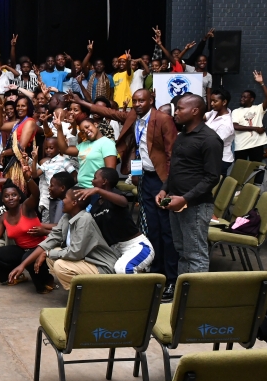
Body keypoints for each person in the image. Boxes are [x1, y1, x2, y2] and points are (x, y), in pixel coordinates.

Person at [71, 88, 177, 290]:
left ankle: (171, 278)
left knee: (166, 230)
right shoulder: (134, 117)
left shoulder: (162, 119)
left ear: (151, 100)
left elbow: (172, 154)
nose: (137, 104)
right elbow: (110, 114)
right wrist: (82, 103)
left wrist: (167, 185)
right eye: (135, 101)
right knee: (151, 227)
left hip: (162, 180)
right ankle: (155, 273)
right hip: (145, 177)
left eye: (141, 101)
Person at [156, 93, 223, 290]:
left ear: (195, 111)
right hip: (175, 202)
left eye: (180, 109)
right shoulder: (182, 136)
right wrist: (164, 189)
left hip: (195, 205)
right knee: (182, 250)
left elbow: (212, 178)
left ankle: (196, 298)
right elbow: (176, 169)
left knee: (196, 254)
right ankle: (183, 291)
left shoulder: (210, 139)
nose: (176, 112)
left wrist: (184, 199)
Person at [29, 187, 121, 289]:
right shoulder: (67, 217)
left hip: (101, 266)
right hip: (86, 260)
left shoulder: (84, 219)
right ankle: (81, 290)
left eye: (65, 198)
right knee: (53, 254)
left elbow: (75, 252)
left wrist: (47, 253)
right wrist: (40, 255)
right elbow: (53, 237)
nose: (62, 201)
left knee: (59, 264)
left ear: (74, 203)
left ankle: (83, 295)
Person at [82, 168, 155, 274]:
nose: (92, 181)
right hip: (116, 250)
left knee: (124, 269)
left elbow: (124, 202)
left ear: (104, 181)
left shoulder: (116, 196)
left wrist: (98, 190)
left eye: (95, 178)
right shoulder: (96, 205)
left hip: (137, 247)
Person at [53, 113, 117, 188]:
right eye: (83, 131)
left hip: (95, 189)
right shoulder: (84, 144)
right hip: (81, 187)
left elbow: (111, 173)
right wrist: (59, 129)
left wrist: (100, 192)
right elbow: (65, 150)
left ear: (95, 124)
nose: (86, 131)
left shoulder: (106, 143)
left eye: (87, 127)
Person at [231, 70, 267, 163]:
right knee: (240, 170)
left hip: (256, 144)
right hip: (241, 145)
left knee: (257, 168)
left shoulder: (258, 108)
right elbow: (235, 126)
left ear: (252, 99)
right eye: (241, 97)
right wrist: (255, 128)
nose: (242, 99)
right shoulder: (236, 111)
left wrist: (261, 83)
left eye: (245, 97)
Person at [204, 87, 236, 174]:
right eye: (211, 101)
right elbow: (203, 117)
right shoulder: (214, 112)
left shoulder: (226, 124)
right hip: (211, 156)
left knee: (215, 185)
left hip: (220, 159)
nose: (212, 104)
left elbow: (214, 143)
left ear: (224, 102)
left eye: (215, 101)